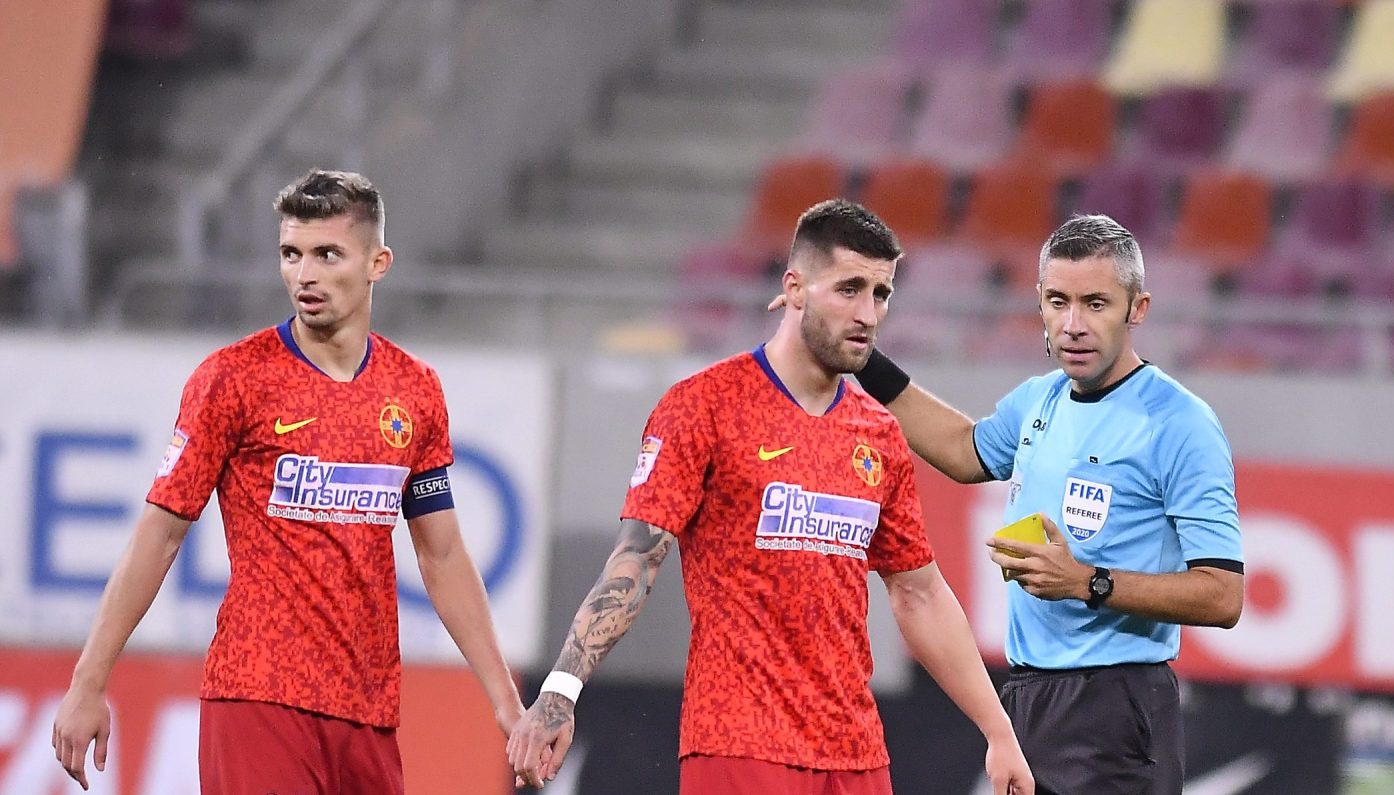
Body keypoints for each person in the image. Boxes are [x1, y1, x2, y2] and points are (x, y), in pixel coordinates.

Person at [505, 199, 1033, 794]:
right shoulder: (704, 406)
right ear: (795, 288)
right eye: (849, 289)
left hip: (856, 755)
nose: (868, 313)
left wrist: (999, 732)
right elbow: (635, 561)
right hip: (739, 745)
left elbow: (919, 592)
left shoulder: (878, 433)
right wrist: (560, 692)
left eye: (881, 294)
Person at [50, 169, 525, 793]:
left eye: (328, 254)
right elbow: (159, 535)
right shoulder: (233, 379)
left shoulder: (414, 390)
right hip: (259, 695)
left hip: (369, 710)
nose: (305, 275)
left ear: (378, 263)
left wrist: (506, 702)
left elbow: (441, 554)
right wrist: (89, 682)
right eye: (291, 254)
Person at [836, 214, 1245, 794]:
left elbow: (1224, 595)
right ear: (1040, 305)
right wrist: (863, 361)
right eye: (1059, 302)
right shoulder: (1040, 399)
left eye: (1096, 303)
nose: (1074, 324)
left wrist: (1087, 582)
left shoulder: (1180, 424)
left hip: (1116, 704)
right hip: (1028, 697)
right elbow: (962, 451)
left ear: (1138, 308)